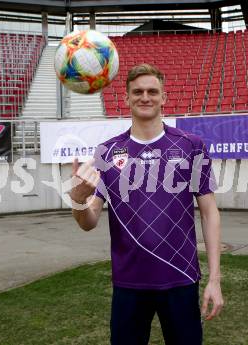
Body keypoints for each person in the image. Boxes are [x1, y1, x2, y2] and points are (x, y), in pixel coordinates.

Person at [70, 63, 224, 345]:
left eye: (152, 91)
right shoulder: (107, 152)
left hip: (180, 277)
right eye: (137, 91)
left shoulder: (191, 146)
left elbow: (209, 211)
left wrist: (214, 279)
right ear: (126, 99)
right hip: (129, 283)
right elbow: (89, 221)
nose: (145, 97)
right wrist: (78, 201)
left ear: (164, 98)